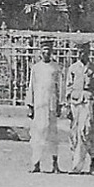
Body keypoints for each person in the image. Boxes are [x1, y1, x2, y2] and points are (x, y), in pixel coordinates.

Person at [25, 41, 63, 173]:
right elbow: (31, 87)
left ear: (51, 51)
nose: (46, 53)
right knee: (38, 133)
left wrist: (60, 104)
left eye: (48, 50)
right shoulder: (36, 68)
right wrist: (30, 106)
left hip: (51, 104)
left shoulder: (56, 68)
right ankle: (36, 163)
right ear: (40, 52)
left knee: (53, 134)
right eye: (44, 50)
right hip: (39, 105)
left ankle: (55, 164)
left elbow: (60, 88)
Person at [65, 41, 94, 174]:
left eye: (83, 52)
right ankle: (75, 165)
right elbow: (68, 87)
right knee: (75, 133)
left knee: (88, 132)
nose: (81, 54)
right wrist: (68, 105)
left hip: (88, 103)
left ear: (88, 52)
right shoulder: (73, 68)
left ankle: (92, 163)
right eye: (79, 52)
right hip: (75, 102)